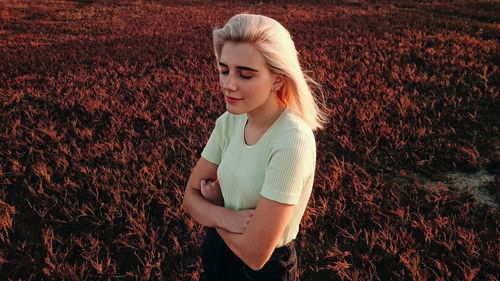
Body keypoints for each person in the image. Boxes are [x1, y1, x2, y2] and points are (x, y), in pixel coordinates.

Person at [182, 13, 327, 281]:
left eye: (245, 75)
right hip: (216, 254)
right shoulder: (229, 122)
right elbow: (190, 196)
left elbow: (255, 254)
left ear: (278, 79)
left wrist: (212, 211)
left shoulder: (292, 140)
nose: (228, 84)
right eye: (224, 70)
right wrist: (222, 214)